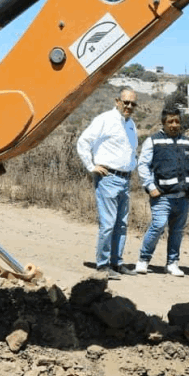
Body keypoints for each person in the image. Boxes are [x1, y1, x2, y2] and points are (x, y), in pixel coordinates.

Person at [76, 89, 140, 279]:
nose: (128, 106)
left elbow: (130, 149)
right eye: (125, 102)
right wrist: (91, 165)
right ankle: (103, 265)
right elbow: (83, 141)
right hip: (108, 177)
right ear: (117, 101)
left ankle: (116, 262)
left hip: (124, 179)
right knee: (108, 223)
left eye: (132, 104)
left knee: (121, 224)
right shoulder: (105, 119)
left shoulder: (131, 125)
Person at [135, 108, 189, 276]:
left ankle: (172, 263)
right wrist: (151, 187)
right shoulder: (153, 141)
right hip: (162, 197)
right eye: (170, 121)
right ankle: (144, 260)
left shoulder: (188, 143)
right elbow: (142, 165)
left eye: (177, 121)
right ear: (163, 123)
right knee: (158, 226)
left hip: (183, 197)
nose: (174, 125)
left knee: (177, 231)